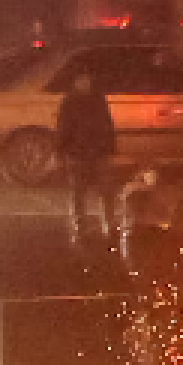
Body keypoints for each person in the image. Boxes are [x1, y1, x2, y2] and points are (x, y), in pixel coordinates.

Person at [55, 70, 117, 242]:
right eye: (81, 80)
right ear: (75, 82)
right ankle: (79, 226)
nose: (85, 82)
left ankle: (108, 224)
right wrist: (61, 151)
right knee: (78, 192)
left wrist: (110, 148)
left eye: (87, 79)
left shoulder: (98, 99)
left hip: (98, 152)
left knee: (105, 191)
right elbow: (63, 128)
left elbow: (107, 124)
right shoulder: (69, 102)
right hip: (78, 153)